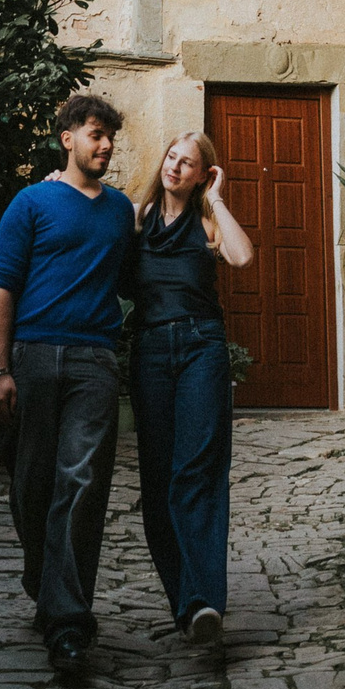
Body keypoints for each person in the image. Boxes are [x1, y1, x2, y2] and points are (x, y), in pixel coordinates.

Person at [0, 93, 134, 672]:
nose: (106, 145)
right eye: (96, 134)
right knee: (30, 484)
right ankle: (44, 578)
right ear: (67, 139)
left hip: (94, 362)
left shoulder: (120, 210)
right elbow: (3, 286)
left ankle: (69, 623)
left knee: (81, 482)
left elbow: (135, 275)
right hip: (32, 358)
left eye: (110, 137)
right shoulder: (30, 202)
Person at [128, 129, 254, 647]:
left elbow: (242, 257)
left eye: (188, 163)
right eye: (171, 157)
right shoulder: (135, 219)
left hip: (202, 349)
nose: (175, 167)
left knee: (196, 472)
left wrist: (217, 198)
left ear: (203, 174)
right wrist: (54, 184)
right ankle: (187, 603)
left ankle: (204, 602)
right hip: (150, 352)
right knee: (158, 481)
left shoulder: (207, 221)